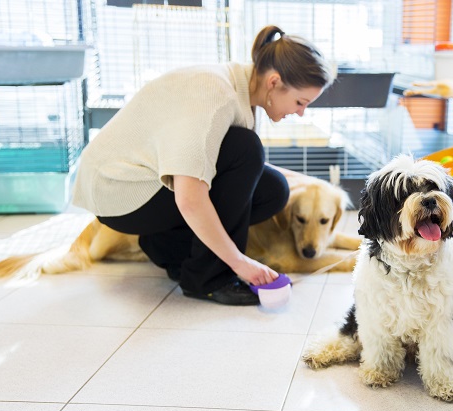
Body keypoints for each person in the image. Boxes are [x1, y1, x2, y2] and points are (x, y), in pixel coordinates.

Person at [72, 25, 334, 305]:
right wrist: (240, 263)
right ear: (273, 82)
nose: (301, 113)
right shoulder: (216, 94)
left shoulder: (243, 90)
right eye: (300, 102)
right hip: (119, 193)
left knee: (272, 189)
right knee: (246, 150)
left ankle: (167, 249)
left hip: (144, 187)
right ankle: (208, 280)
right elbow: (190, 198)